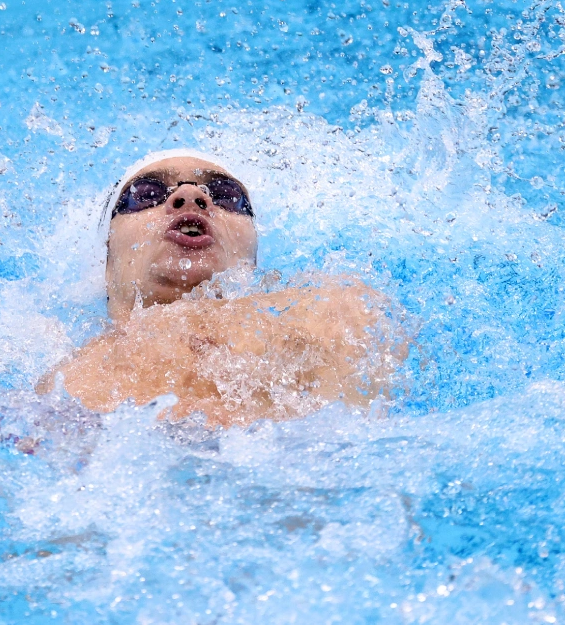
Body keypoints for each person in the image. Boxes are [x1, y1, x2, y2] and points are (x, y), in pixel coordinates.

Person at [41, 150, 407, 427]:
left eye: (226, 194)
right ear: (105, 260)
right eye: (147, 193)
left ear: (253, 257)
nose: (189, 197)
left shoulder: (335, 309)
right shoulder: (65, 384)